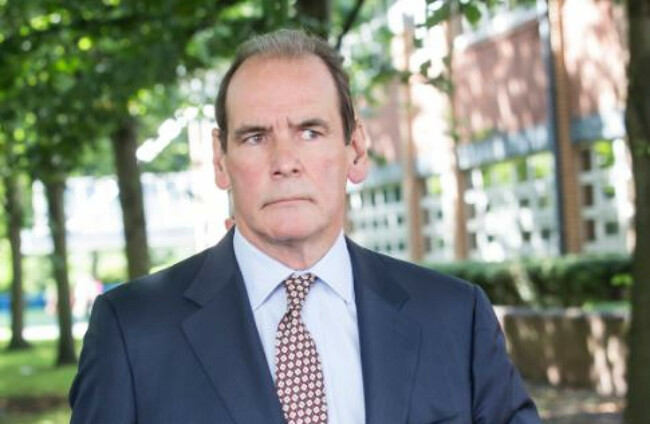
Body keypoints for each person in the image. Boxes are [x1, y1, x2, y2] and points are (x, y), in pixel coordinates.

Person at [69, 29, 540, 424]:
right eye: (256, 137)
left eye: (310, 132)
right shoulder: (132, 331)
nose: (285, 161)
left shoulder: (456, 318)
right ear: (220, 160)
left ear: (356, 150)